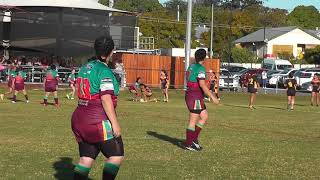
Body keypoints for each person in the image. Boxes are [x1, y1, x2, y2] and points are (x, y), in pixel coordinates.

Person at [71, 36, 124, 180]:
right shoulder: (104, 71)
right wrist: (115, 123)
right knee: (116, 155)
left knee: (86, 159)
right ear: (112, 51)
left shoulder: (85, 67)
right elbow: (105, 98)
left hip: (79, 117)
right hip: (97, 119)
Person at [184, 49, 219, 151]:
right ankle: (189, 143)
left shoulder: (191, 66)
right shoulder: (201, 69)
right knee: (193, 119)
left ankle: (193, 139)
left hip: (193, 95)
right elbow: (202, 85)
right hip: (195, 96)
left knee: (204, 116)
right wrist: (213, 97)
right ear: (204, 58)